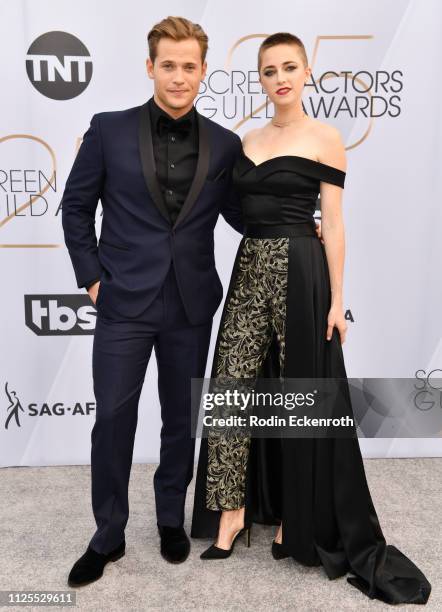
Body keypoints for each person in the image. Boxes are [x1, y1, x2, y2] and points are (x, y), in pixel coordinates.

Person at [191, 32, 431, 605]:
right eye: (270, 69)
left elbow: (336, 222)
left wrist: (336, 298)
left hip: (303, 268)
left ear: (306, 71)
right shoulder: (246, 141)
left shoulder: (326, 137)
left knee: (296, 395)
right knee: (232, 387)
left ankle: (293, 519)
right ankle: (231, 511)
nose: (280, 77)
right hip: (251, 266)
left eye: (289, 67)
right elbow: (231, 208)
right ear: (260, 77)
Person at [61, 16, 247, 586]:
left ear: (202, 72)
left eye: (189, 66)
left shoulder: (225, 143)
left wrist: (297, 225)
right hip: (123, 302)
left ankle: (170, 517)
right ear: (151, 67)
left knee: (178, 422)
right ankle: (107, 535)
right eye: (169, 65)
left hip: (190, 305)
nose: (179, 76)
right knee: (113, 420)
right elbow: (75, 208)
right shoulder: (108, 130)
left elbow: (241, 215)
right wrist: (94, 280)